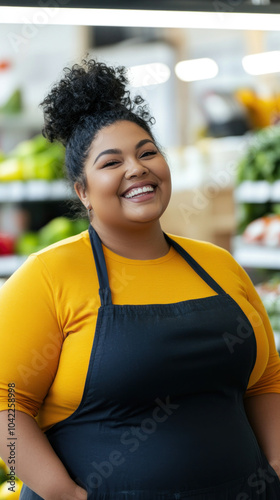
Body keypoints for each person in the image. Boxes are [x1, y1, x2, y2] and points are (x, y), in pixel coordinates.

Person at [0, 58, 280, 500]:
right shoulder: (49, 275)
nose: (137, 168)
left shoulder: (220, 265)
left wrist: (276, 464)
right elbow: (4, 402)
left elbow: (266, 381)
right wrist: (60, 493)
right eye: (112, 162)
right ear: (83, 192)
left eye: (148, 152)